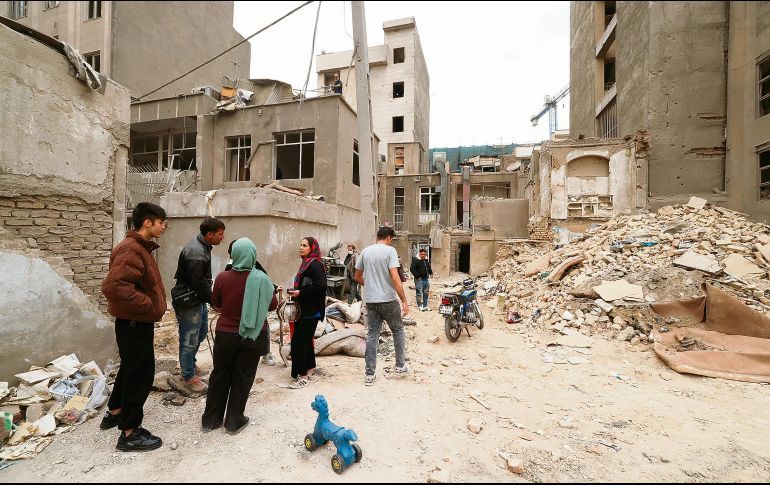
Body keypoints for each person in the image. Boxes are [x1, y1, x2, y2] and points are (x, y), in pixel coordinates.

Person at [100, 202, 168, 452]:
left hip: (134, 321)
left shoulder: (139, 248)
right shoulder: (131, 249)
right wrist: (149, 306)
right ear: (147, 222)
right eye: (161, 222)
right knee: (140, 374)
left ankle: (116, 411)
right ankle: (129, 433)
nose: (164, 226)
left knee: (130, 368)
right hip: (135, 322)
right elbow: (114, 287)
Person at [202, 238, 277, 433]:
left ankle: (210, 419)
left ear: (233, 255)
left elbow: (215, 303)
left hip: (225, 333)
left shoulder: (222, 278)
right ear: (253, 255)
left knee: (219, 374)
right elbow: (272, 305)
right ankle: (234, 419)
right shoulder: (262, 278)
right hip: (252, 336)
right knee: (243, 376)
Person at [172, 217, 225, 393]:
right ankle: (188, 376)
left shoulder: (202, 247)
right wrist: (214, 301)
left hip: (197, 299)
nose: (222, 238)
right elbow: (197, 282)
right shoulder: (196, 251)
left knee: (200, 332)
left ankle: (190, 365)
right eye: (219, 234)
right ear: (209, 235)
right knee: (189, 338)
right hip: (189, 300)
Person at [354, 226, 410, 386]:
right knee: (398, 331)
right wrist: (404, 300)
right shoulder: (390, 251)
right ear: (389, 238)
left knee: (372, 335)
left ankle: (369, 375)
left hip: (371, 301)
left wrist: (370, 285)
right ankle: (400, 366)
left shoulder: (365, 251)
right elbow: (395, 277)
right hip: (388, 300)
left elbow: (357, 276)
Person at [224, 239, 279, 366]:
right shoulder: (229, 268)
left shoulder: (254, 263)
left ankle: (265, 353)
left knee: (262, 326)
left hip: (257, 302)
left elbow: (265, 279)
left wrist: (273, 288)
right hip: (243, 305)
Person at [286, 237, 327, 388]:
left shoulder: (314, 264)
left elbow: (321, 286)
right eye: (300, 245)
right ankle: (310, 368)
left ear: (312, 248)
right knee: (305, 340)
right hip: (306, 309)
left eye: (305, 245)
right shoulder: (306, 263)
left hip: (311, 310)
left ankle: (303, 376)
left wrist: (300, 293)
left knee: (299, 342)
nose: (301, 248)